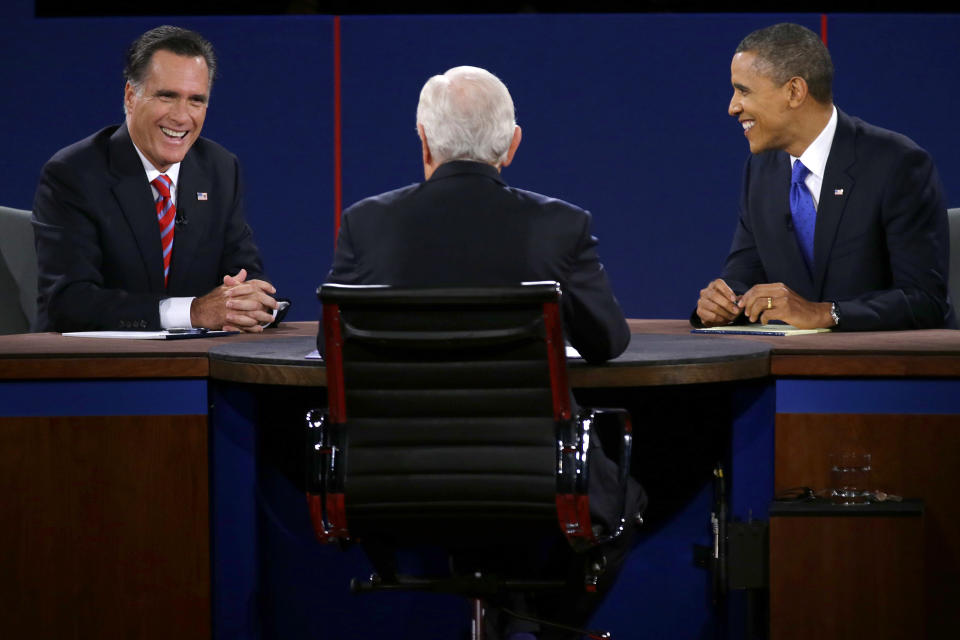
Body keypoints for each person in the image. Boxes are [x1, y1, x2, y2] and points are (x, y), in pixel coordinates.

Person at [323, 66, 643, 639]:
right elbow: (608, 342)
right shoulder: (561, 227)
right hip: (535, 476)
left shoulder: (365, 224)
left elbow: (332, 348)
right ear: (512, 144)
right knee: (625, 493)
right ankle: (545, 627)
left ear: (423, 140)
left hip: (389, 477)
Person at [694, 22, 953, 331]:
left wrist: (827, 313)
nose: (732, 107)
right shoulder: (761, 170)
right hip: (794, 368)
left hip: (882, 367)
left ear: (794, 91)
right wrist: (723, 301)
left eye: (743, 91)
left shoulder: (897, 163)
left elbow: (925, 300)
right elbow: (744, 274)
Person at [33, 25, 281, 333]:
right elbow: (69, 302)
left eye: (196, 100)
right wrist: (192, 312)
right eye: (167, 96)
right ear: (130, 97)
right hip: (95, 367)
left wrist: (252, 300)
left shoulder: (219, 168)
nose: (181, 116)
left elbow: (245, 272)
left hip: (195, 365)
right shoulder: (74, 173)